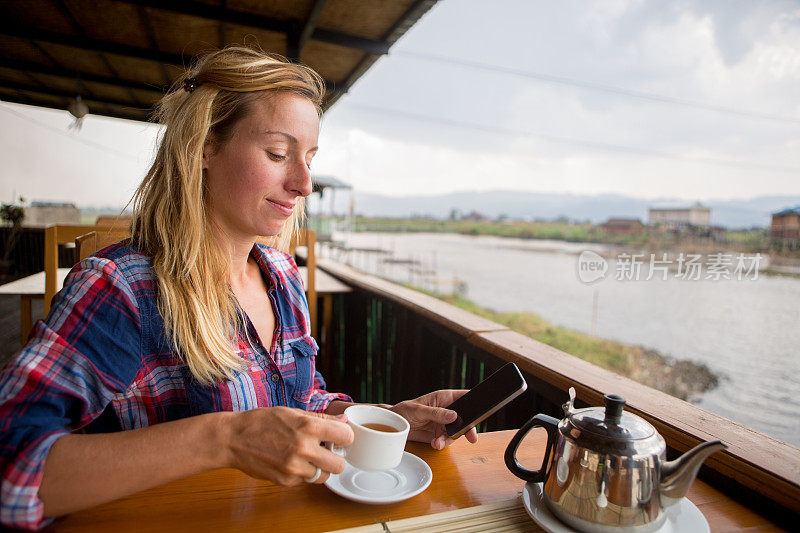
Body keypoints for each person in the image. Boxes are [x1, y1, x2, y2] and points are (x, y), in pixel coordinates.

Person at [0, 47, 478, 531]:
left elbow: (298, 400)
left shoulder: (282, 275)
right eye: (277, 153)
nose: (304, 183)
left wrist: (375, 421)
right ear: (206, 147)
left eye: (310, 158)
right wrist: (221, 439)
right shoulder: (122, 290)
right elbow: (9, 468)